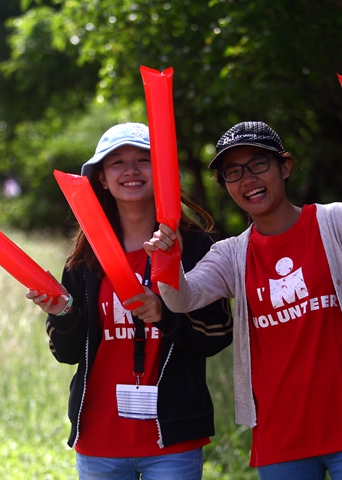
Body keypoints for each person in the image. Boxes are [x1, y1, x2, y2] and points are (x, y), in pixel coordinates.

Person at [145, 121, 342, 480]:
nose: (248, 180)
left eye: (259, 164)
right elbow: (183, 299)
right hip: (280, 433)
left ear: (285, 167)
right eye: (234, 172)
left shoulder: (338, 221)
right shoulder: (231, 254)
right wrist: (168, 260)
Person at [26, 122, 233, 479]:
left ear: (162, 173)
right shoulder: (85, 260)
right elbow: (67, 353)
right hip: (99, 441)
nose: (131, 170)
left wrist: (165, 314)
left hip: (172, 441)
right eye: (117, 162)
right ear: (102, 178)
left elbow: (217, 334)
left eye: (143, 159)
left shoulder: (196, 248)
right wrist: (63, 315)